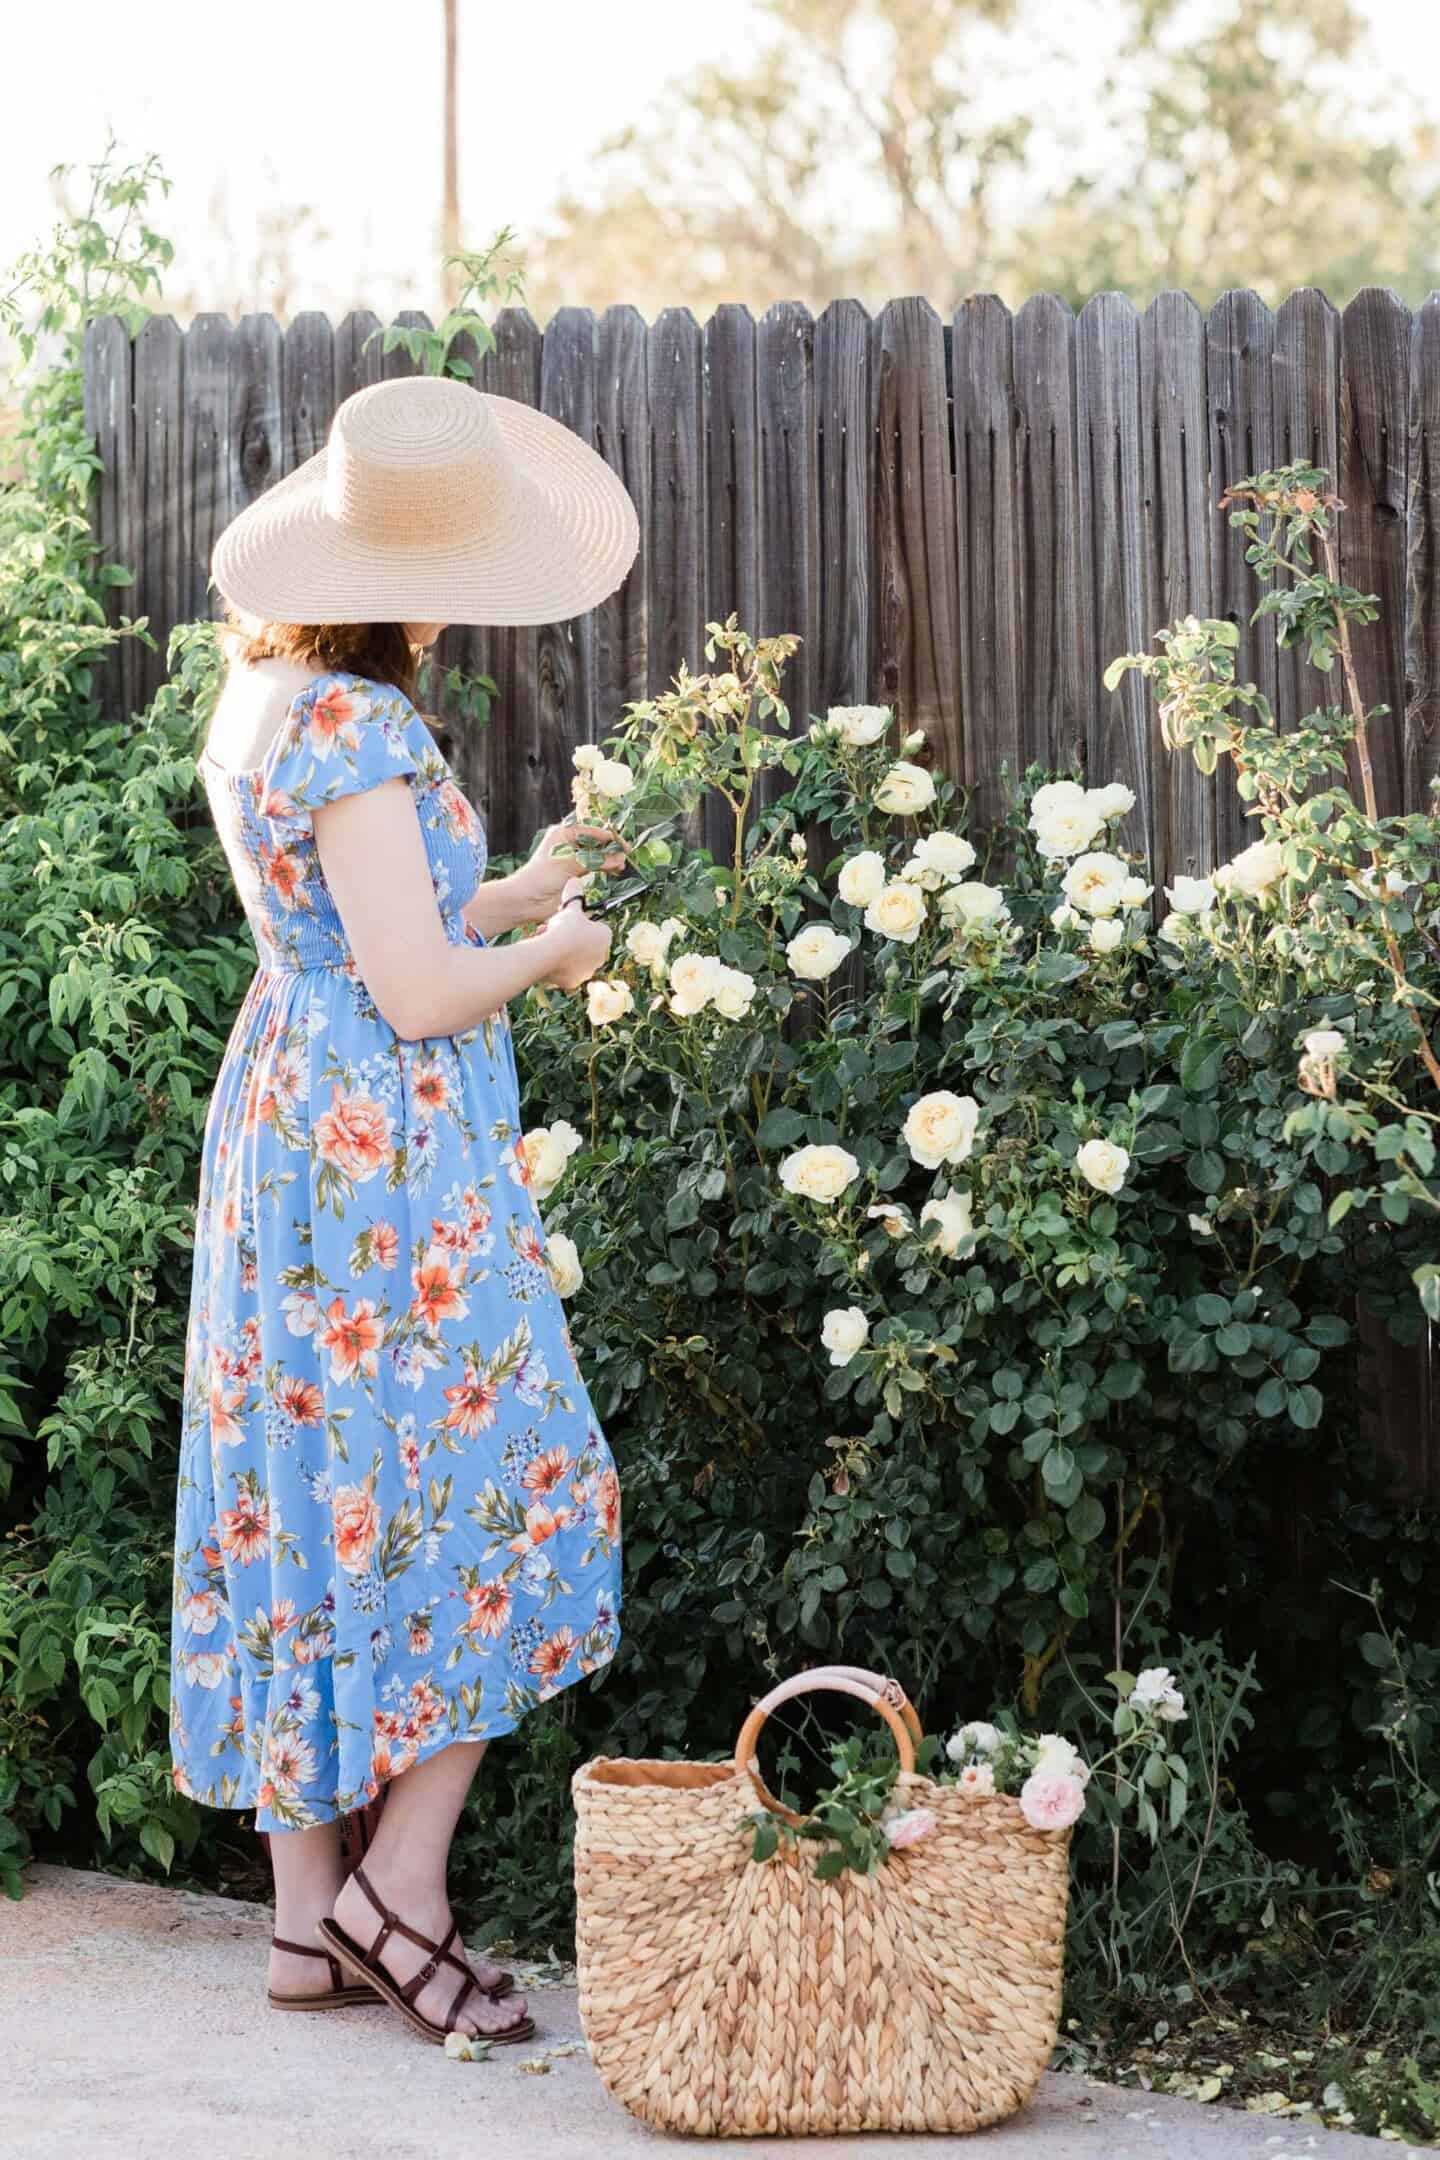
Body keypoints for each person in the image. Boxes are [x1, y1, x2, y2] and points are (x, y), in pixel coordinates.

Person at [169, 374, 638, 2047]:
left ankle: (308, 1927)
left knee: (309, 1496)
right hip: (383, 1164)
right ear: (395, 577)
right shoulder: (363, 730)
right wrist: (557, 957)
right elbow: (427, 989)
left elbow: (368, 923)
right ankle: (403, 1888)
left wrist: (524, 881)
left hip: (290, 1129)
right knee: (522, 1491)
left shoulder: (262, 706)